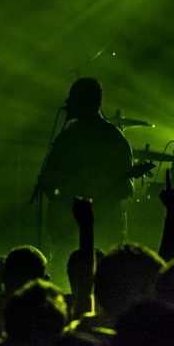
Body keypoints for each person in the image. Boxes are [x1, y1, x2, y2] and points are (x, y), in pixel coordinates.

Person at [41, 77, 134, 258]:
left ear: (88, 101)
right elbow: (47, 180)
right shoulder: (67, 136)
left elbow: (124, 189)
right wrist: (61, 207)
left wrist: (64, 206)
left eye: (72, 96)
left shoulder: (112, 137)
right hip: (70, 230)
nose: (67, 101)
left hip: (101, 232)